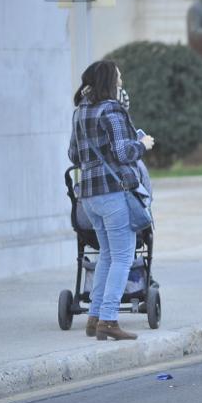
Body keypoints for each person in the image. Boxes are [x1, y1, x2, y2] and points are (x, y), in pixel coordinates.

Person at [68, 60, 155, 341]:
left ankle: (94, 318)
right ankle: (108, 320)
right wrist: (142, 145)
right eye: (118, 76)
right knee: (122, 257)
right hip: (113, 192)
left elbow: (74, 156)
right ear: (109, 79)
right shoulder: (112, 110)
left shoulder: (80, 112)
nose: (121, 80)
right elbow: (121, 152)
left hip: (89, 197)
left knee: (106, 254)